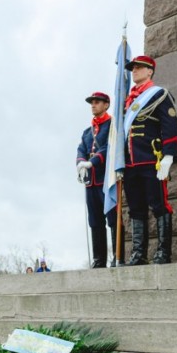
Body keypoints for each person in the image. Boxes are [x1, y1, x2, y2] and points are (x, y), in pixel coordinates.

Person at [121, 55, 177, 265]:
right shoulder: (127, 102)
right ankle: (139, 253)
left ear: (150, 71)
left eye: (139, 68)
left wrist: (169, 156)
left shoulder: (159, 95)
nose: (134, 71)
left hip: (151, 160)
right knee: (135, 208)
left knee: (159, 204)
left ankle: (163, 252)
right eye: (133, 68)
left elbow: (170, 126)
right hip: (130, 164)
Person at [76, 92, 118, 268]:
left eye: (97, 102)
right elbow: (81, 150)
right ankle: (99, 259)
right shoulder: (87, 132)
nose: (93, 105)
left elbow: (109, 147)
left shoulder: (112, 125)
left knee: (113, 218)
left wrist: (91, 162)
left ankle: (117, 256)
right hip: (91, 182)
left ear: (106, 105)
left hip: (106, 180)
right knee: (95, 221)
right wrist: (80, 165)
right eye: (91, 103)